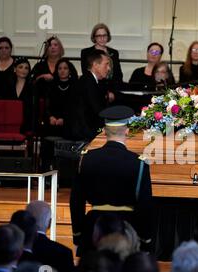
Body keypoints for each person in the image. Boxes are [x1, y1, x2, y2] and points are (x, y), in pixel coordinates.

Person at [69, 105, 153, 256]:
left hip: (94, 229)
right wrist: (144, 240)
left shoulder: (86, 159)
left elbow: (76, 201)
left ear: (104, 131)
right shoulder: (138, 163)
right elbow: (144, 206)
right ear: (127, 131)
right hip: (125, 230)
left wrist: (78, 237)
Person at [65, 49, 110, 141]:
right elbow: (96, 110)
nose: (109, 68)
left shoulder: (90, 81)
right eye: (106, 64)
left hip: (85, 131)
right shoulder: (88, 82)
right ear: (95, 65)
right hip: (83, 135)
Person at [81, 23, 124, 103]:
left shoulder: (114, 53)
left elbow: (118, 75)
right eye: (99, 36)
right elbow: (87, 75)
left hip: (113, 91)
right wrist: (105, 92)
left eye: (104, 35)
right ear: (94, 37)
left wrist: (113, 92)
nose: (102, 38)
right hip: (95, 90)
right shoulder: (86, 52)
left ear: (108, 37)